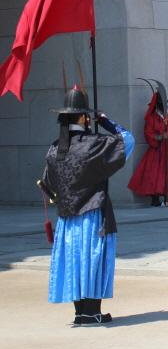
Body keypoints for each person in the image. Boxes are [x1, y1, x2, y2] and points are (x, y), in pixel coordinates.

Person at [42, 85, 134, 325]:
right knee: (92, 260)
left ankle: (80, 312)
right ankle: (92, 312)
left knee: (74, 262)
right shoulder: (94, 143)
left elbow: (48, 182)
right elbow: (128, 140)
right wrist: (105, 121)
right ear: (84, 117)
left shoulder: (54, 149)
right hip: (93, 212)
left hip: (66, 216)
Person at [128, 79, 168, 206]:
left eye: (166, 104)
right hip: (157, 152)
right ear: (158, 105)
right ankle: (155, 199)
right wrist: (160, 136)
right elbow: (148, 133)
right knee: (155, 175)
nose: (166, 107)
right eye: (163, 104)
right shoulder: (151, 119)